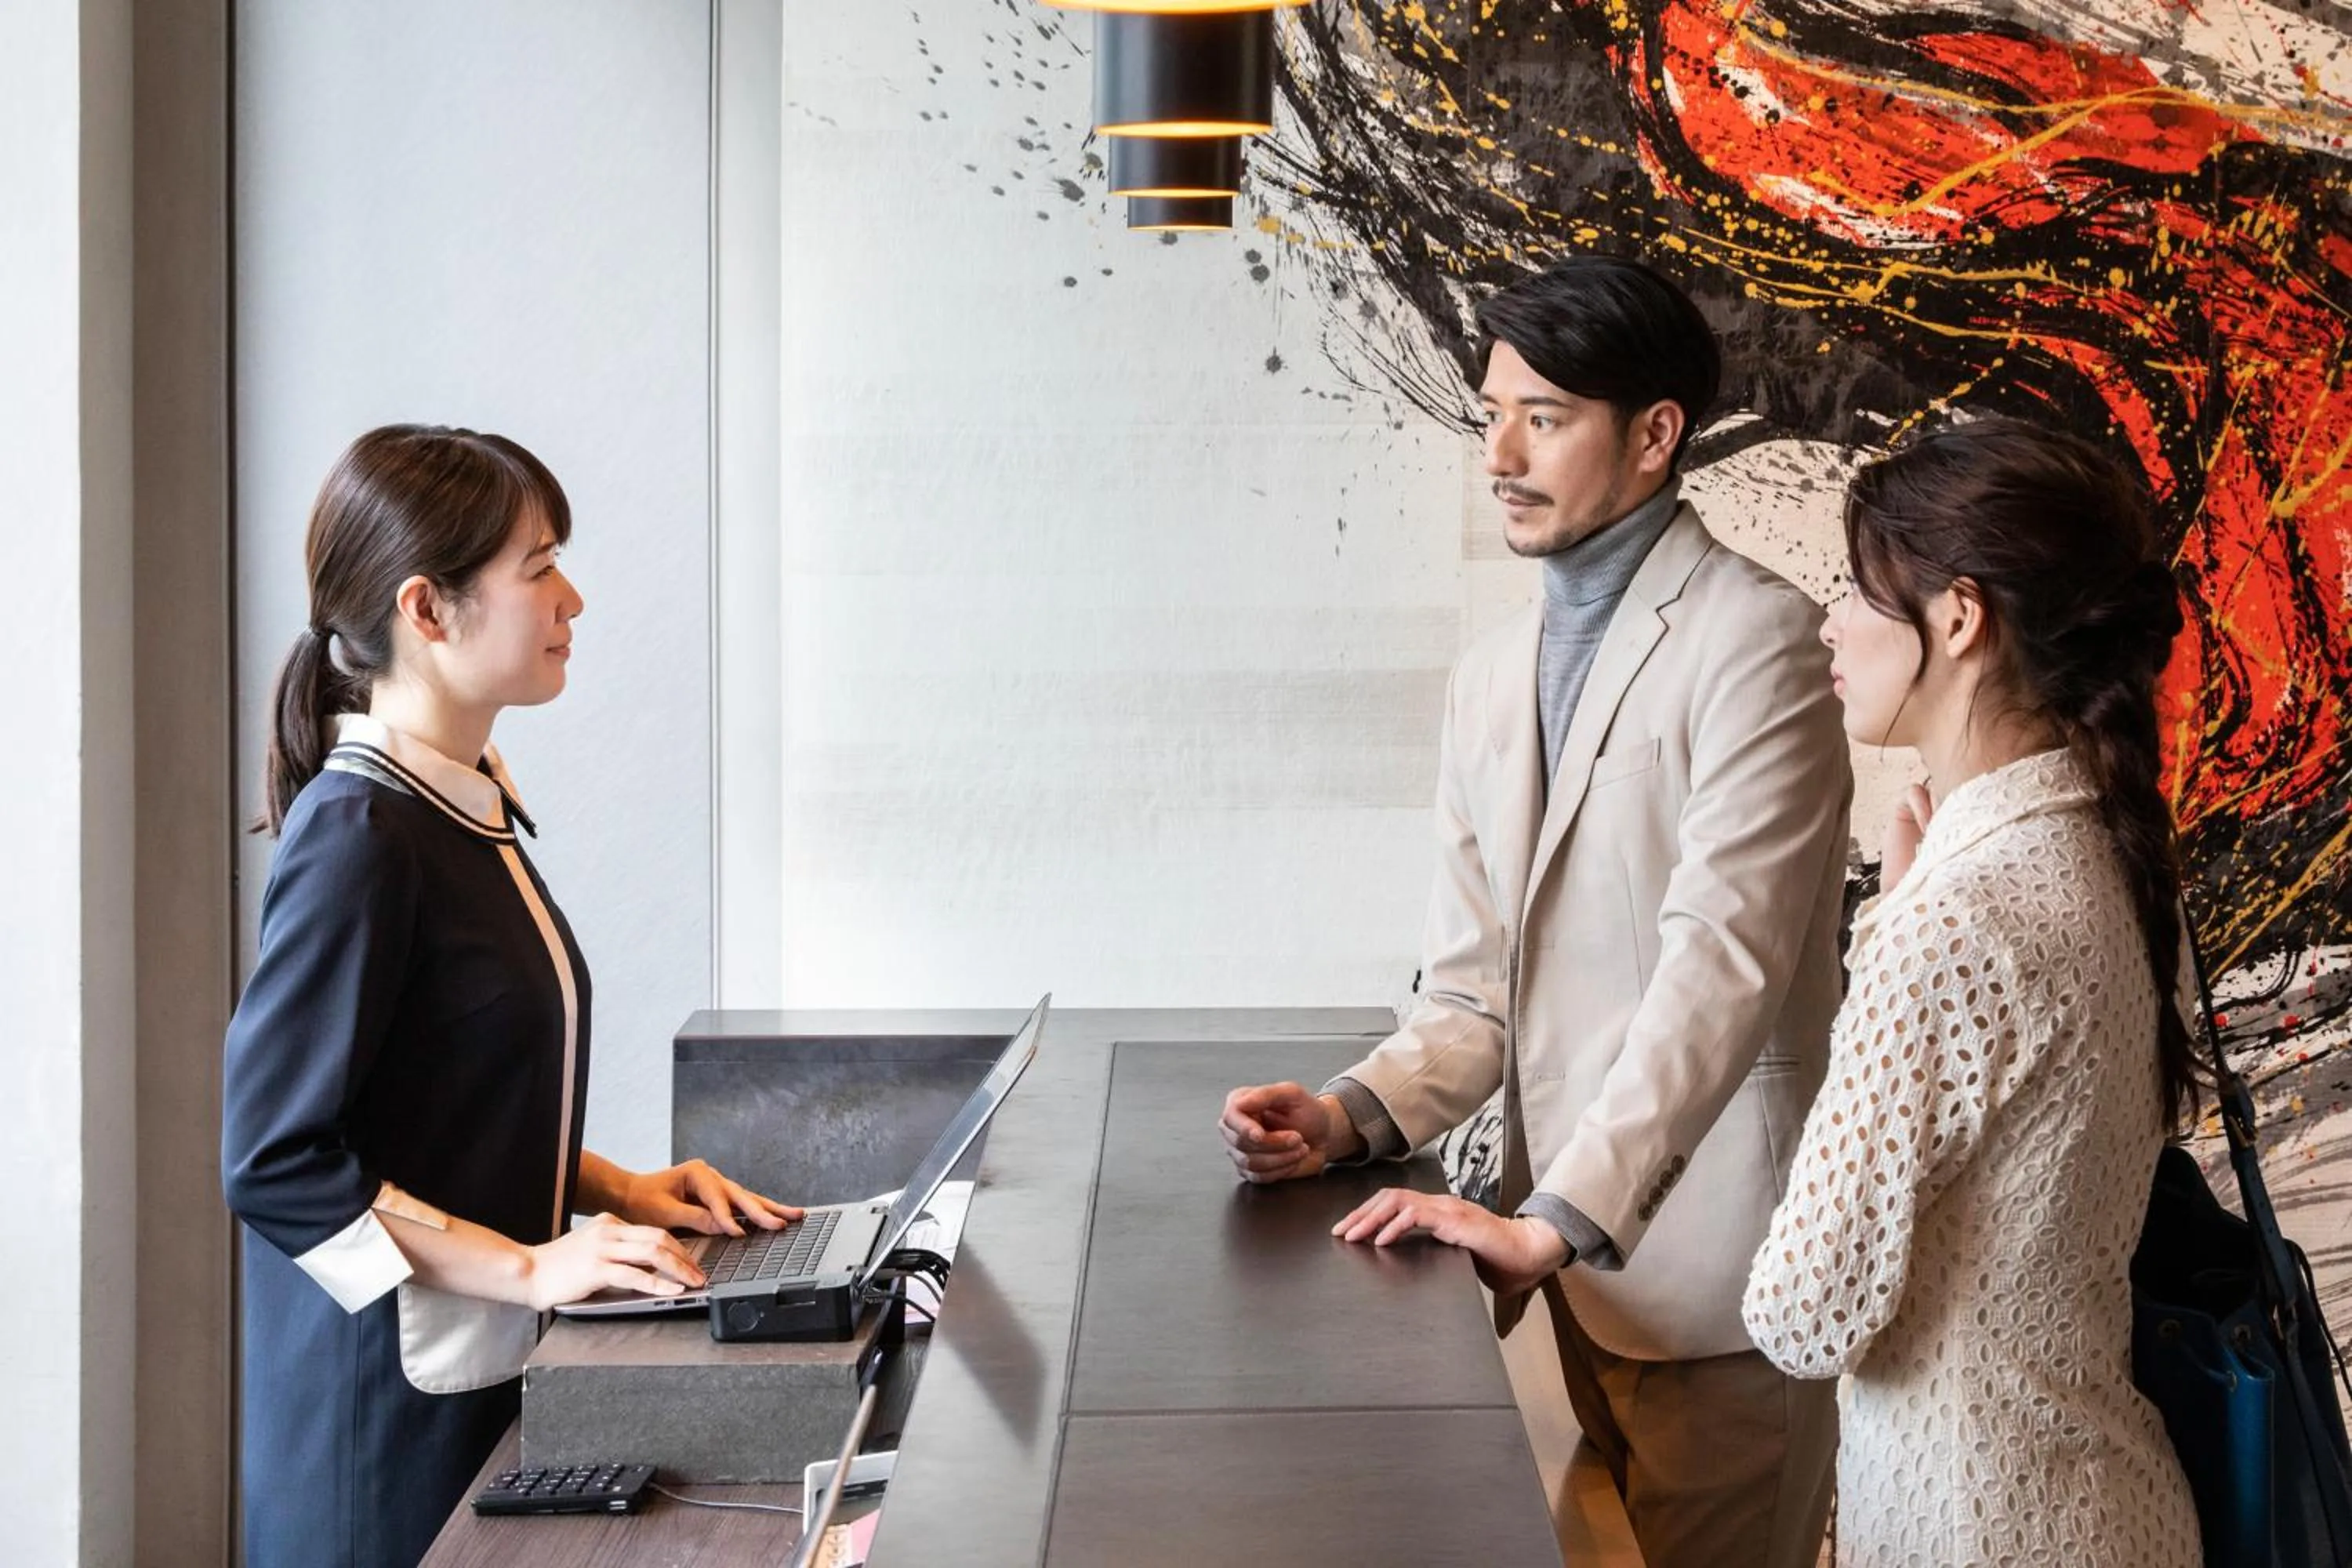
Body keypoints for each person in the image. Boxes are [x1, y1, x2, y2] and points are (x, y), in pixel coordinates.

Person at [1218, 256, 1852, 1568]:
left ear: (1654, 435)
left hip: (1723, 1281)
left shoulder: (1762, 642)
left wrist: (1555, 1220)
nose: (1499, 453)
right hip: (1572, 1274)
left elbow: (1719, 971)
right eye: (1491, 412)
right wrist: (1349, 1115)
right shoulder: (1493, 675)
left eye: (1545, 416)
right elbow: (1472, 988)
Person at [221, 425, 800, 1568]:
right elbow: (275, 1160)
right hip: (377, 1430)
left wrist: (617, 1186)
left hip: (471, 1368)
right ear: (426, 611)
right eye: (538, 569)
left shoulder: (458, 802)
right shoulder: (360, 835)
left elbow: (429, 1097)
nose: (570, 598)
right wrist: (535, 1265)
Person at [1741, 418, 2203, 1562]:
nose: (1829, 621)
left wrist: (1890, 945)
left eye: (1857, 589)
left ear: (1958, 616)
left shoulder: (1954, 923)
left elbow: (1805, 1313)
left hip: (1977, 1520)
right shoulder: (2115, 855)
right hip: (2119, 1506)